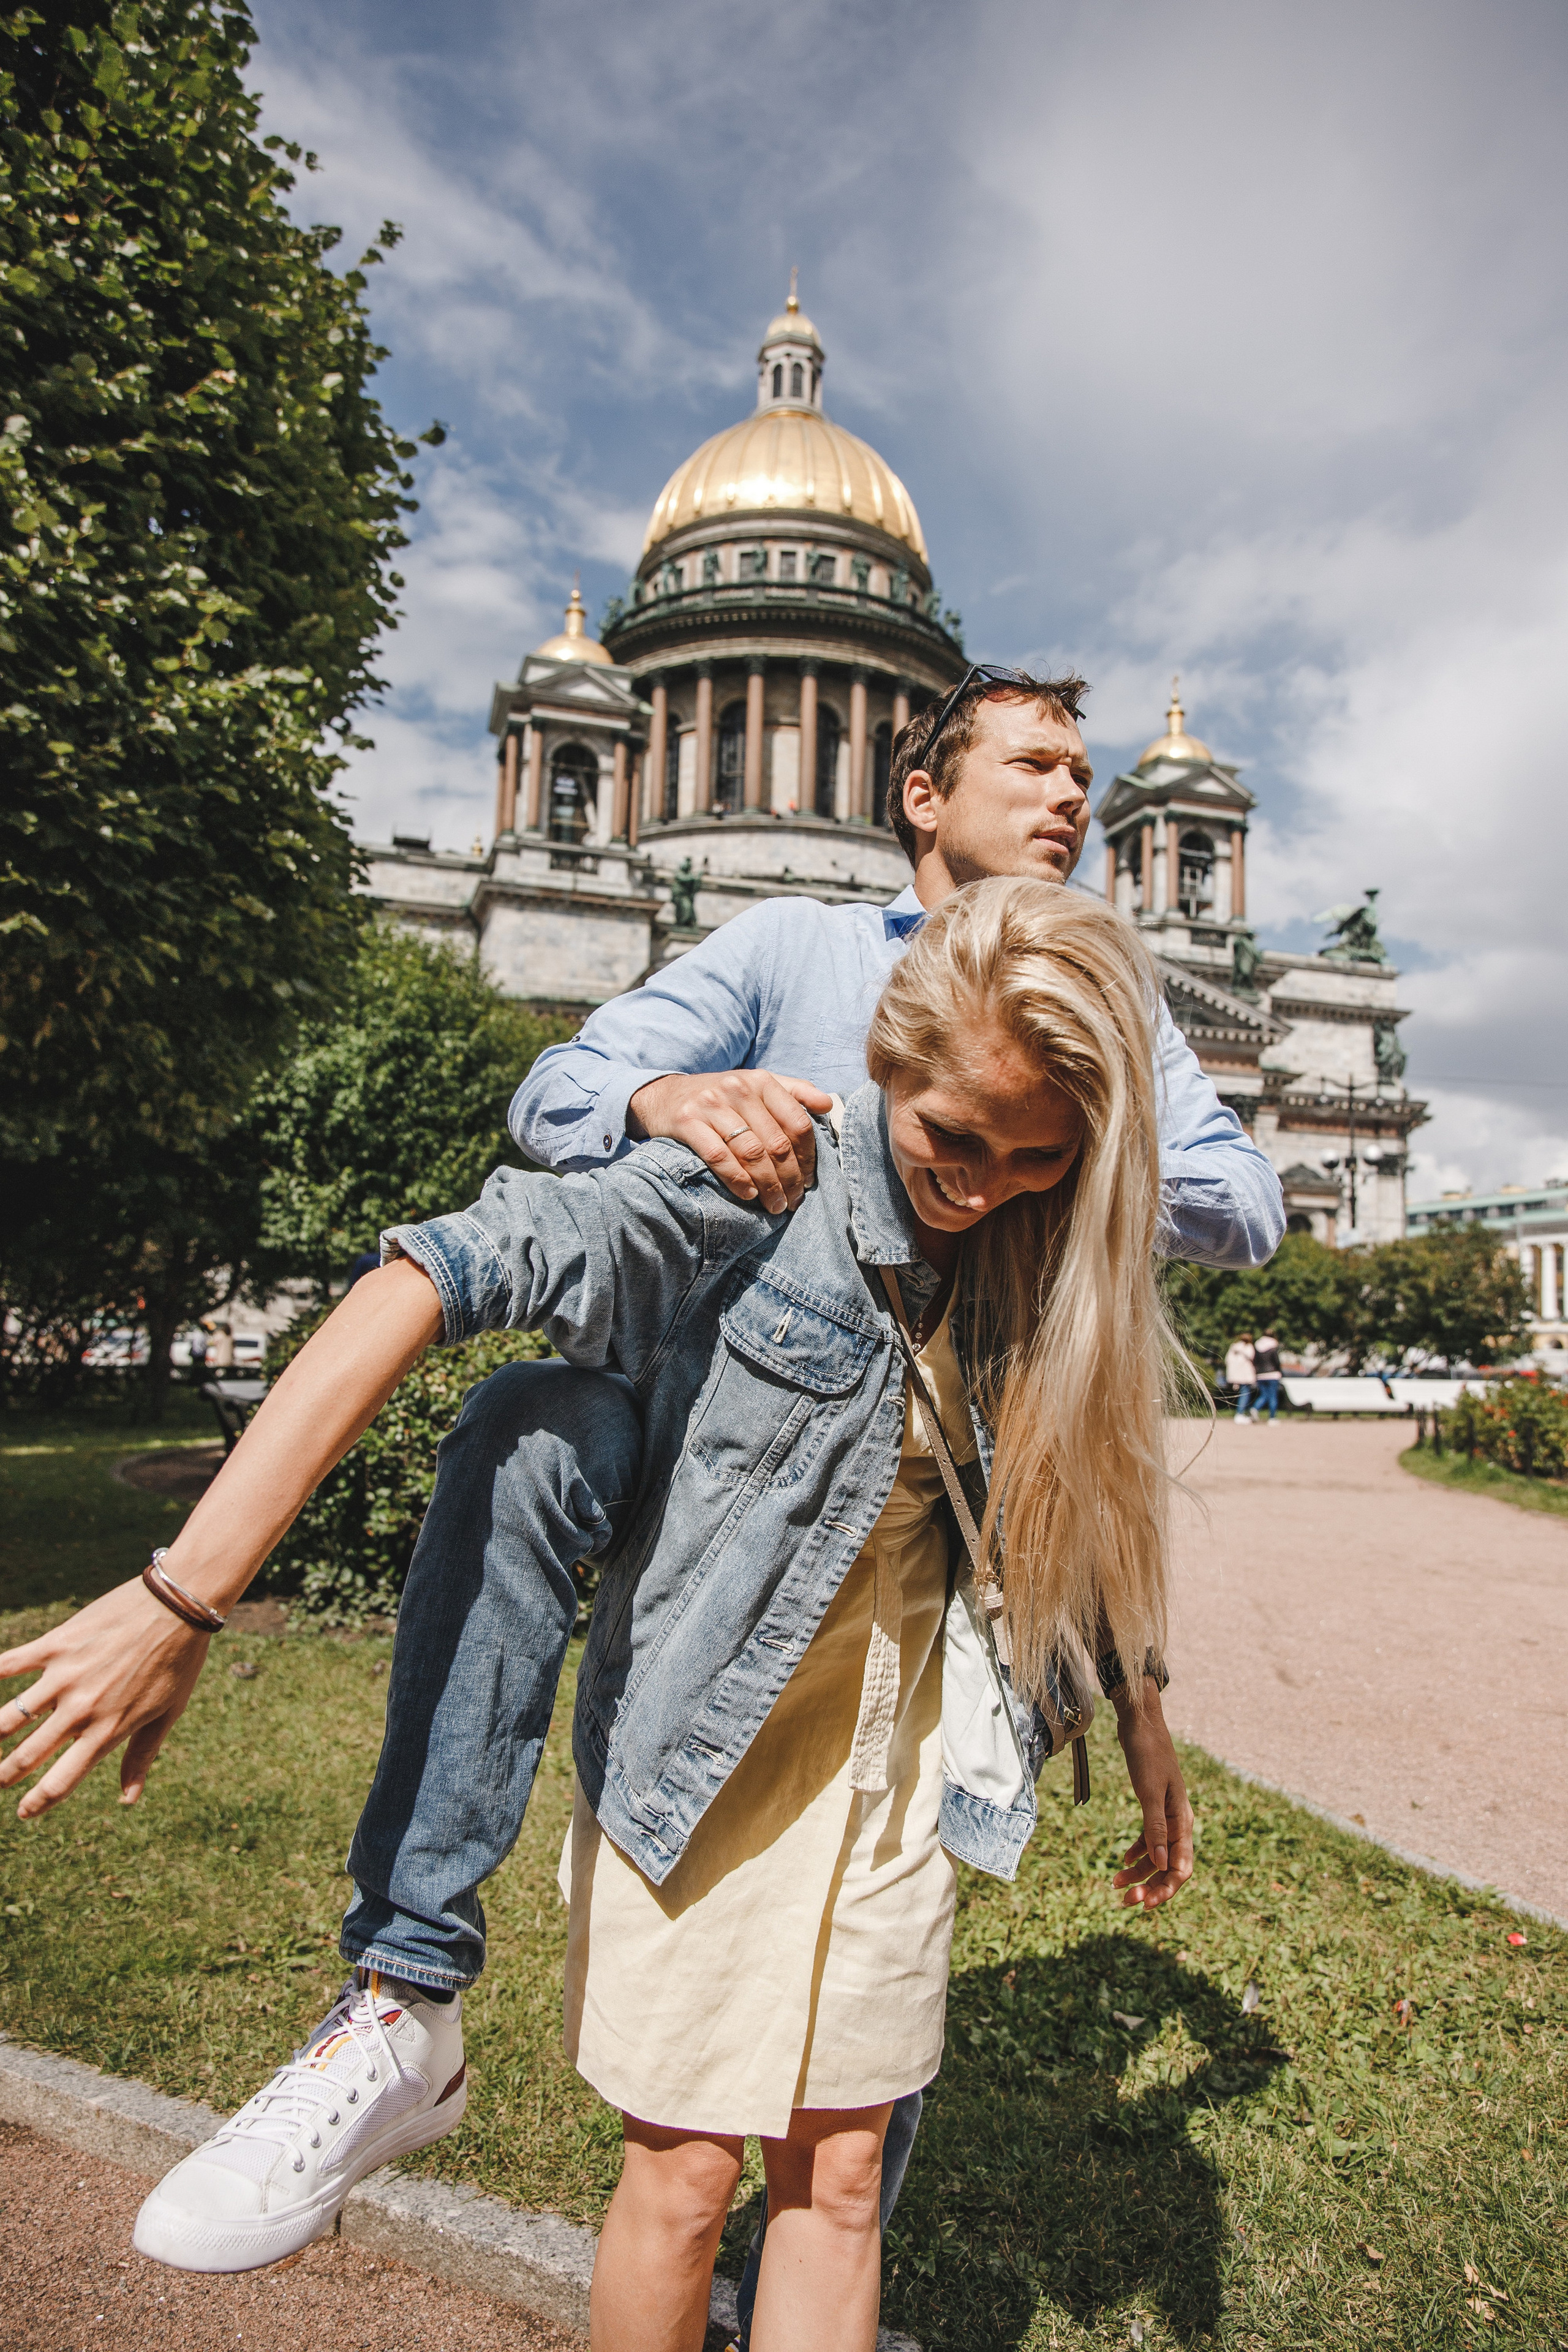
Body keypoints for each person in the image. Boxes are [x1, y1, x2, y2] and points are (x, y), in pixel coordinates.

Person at [0, 667, 1283, 2305]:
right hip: (703, 1501)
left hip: (900, 1615)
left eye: (1038, 1150)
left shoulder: (1091, 1047)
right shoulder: (786, 994)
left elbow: (1093, 1414)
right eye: (1033, 761)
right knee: (538, 1429)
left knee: (836, 2170)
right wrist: (676, 1105)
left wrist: (1134, 1684)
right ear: (917, 787)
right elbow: (508, 1180)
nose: (1071, 797)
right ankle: (402, 1994)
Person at [1250, 1330, 1283, 1422]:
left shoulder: (1257, 1346)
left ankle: (1255, 1408)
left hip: (1260, 1375)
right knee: (1273, 1396)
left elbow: (1255, 1361)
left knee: (1264, 1395)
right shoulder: (1273, 1346)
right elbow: (1276, 1361)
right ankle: (1272, 1417)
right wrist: (1280, 1371)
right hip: (1273, 1374)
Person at [1224, 1332, 1256, 1422]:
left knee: (1242, 1393)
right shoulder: (1249, 1347)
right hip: (1245, 1375)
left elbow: (1227, 1360)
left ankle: (1241, 1413)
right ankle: (1240, 1413)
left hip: (1235, 1375)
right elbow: (1252, 1357)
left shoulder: (1234, 1347)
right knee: (1245, 1394)